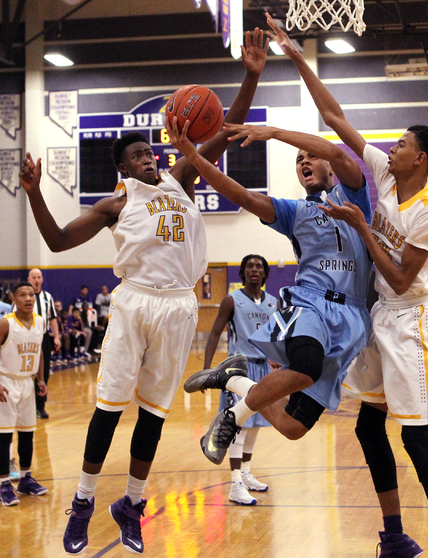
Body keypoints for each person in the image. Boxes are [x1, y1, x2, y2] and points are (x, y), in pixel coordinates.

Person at [19, 28, 268, 555]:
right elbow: (58, 242)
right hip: (134, 302)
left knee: (153, 416)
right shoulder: (117, 204)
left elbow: (222, 133)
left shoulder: (180, 179)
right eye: (137, 156)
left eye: (149, 152)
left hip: (178, 305)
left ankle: (130, 504)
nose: (148, 158)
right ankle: (83, 502)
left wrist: (249, 74)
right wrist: (36, 193)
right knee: (108, 410)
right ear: (123, 169)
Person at [262, 13, 428, 558]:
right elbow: (334, 117)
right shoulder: (382, 173)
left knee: (415, 433)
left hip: (412, 319)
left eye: (401, 144)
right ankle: (394, 536)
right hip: (377, 315)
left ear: (419, 159)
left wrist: (359, 226)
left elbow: (402, 279)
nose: (390, 147)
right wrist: (294, 55)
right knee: (368, 430)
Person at [174, 109, 372, 462]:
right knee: (306, 367)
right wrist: (191, 155)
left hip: (354, 315)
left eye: (311, 156)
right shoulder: (293, 211)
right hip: (310, 303)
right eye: (299, 161)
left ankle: (235, 379)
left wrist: (276, 133)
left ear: (328, 165)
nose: (304, 162)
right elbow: (243, 198)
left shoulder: (353, 196)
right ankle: (232, 418)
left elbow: (339, 152)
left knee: (293, 427)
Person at [203, 254, 278, 505]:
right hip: (239, 370)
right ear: (243, 273)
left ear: (265, 274)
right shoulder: (231, 300)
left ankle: (245, 474)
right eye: (249, 267)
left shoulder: (273, 303)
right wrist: (206, 368)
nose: (254, 270)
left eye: (259, 266)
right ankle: (235, 484)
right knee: (239, 425)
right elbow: (214, 333)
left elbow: (277, 337)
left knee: (256, 424)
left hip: (264, 369)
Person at [0, 282, 49, 506]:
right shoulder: (5, 323)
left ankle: (26, 479)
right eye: (22, 295)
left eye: (31, 294)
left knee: (28, 433)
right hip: (6, 382)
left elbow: (38, 352)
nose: (28, 298)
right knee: (4, 435)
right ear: (14, 298)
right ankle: (3, 485)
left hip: (27, 383)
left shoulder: (40, 321)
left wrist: (40, 379)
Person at [23, 269, 60, 420]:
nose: (36, 280)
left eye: (39, 277)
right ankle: (26, 406)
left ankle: (40, 406)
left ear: (42, 279)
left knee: (43, 373)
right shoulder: (23, 298)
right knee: (26, 372)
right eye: (34, 277)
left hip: (43, 337)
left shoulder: (47, 297)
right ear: (29, 279)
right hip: (26, 337)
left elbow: (52, 318)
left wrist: (56, 336)